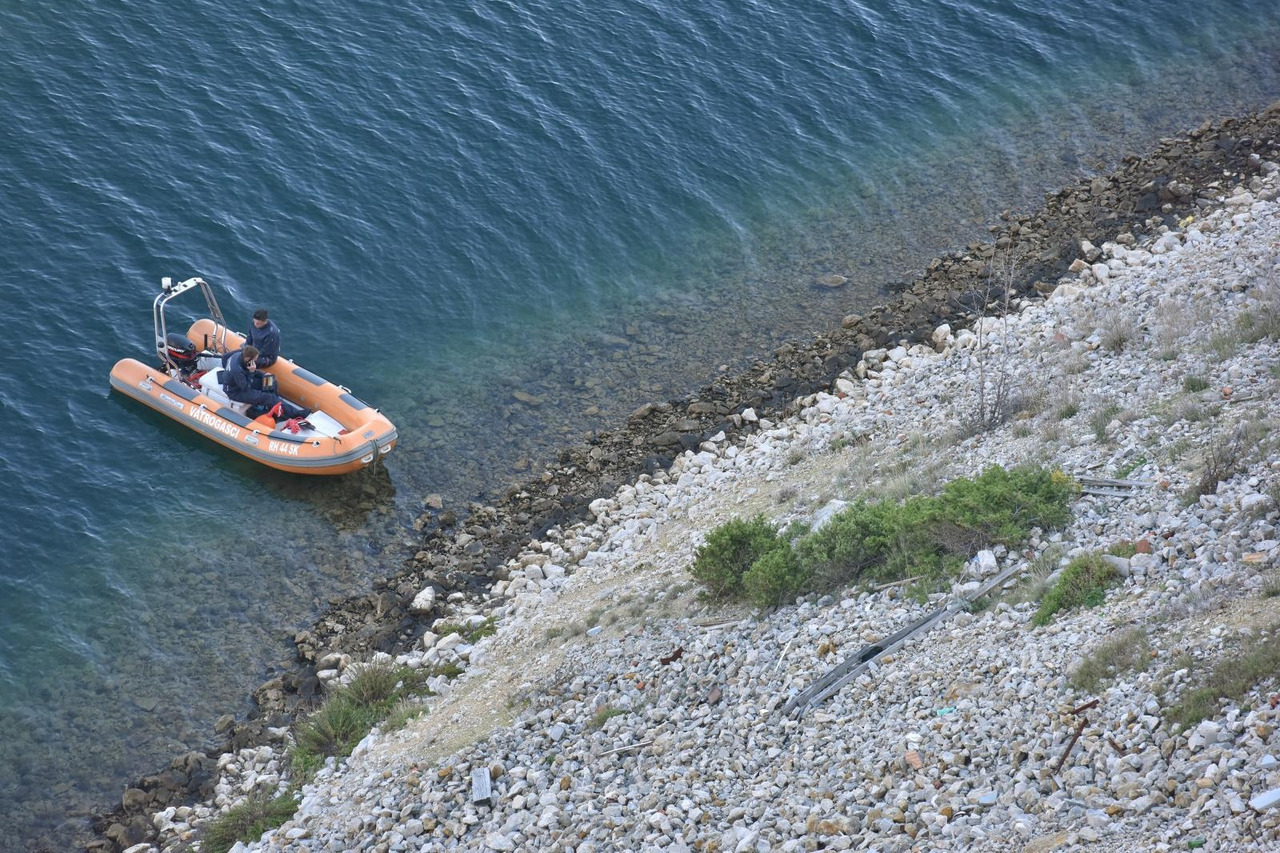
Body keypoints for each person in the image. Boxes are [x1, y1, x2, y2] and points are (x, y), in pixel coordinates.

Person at [221, 345, 309, 420]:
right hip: (236, 391)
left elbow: (247, 371)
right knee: (268, 397)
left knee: (271, 380)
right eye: (254, 359)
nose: (256, 361)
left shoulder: (238, 356)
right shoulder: (237, 370)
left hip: (241, 382)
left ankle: (276, 407)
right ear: (248, 358)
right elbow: (246, 387)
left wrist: (263, 375)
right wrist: (252, 372)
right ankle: (295, 413)